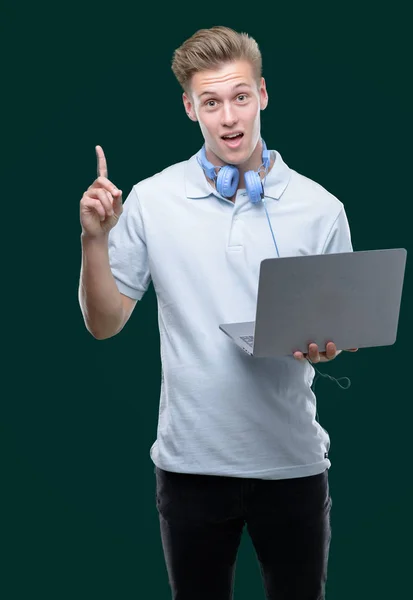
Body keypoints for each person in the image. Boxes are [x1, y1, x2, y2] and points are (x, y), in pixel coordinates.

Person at [78, 25, 357, 600]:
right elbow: (103, 324)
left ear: (262, 94)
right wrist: (94, 243)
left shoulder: (322, 207)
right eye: (211, 102)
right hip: (189, 467)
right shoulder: (151, 200)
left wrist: (330, 343)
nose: (229, 117)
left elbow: (340, 327)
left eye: (240, 97)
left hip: (293, 465)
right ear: (190, 108)